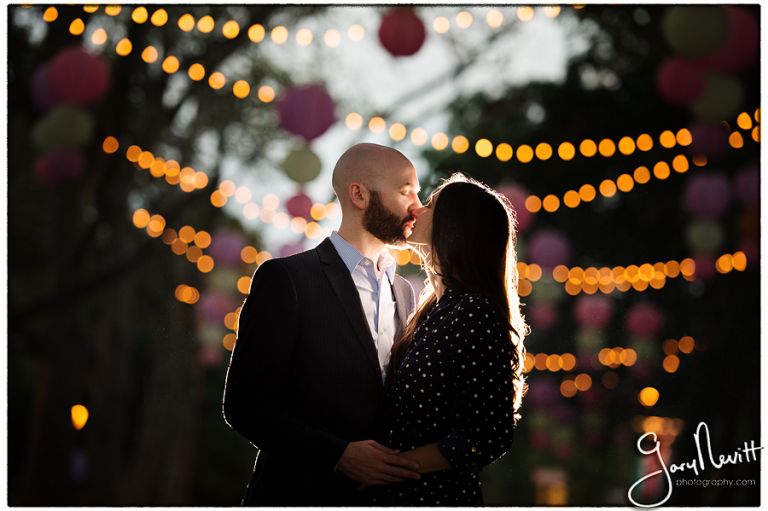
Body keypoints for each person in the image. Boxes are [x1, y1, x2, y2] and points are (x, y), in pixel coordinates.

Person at [222, 143, 425, 505]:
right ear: (359, 195)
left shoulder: (406, 292)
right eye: (406, 190)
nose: (417, 205)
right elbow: (244, 405)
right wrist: (338, 455)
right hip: (296, 496)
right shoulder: (286, 278)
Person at [371, 173, 529, 506]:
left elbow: (488, 434)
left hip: (435, 497)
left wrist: (391, 468)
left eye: (429, 205)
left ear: (455, 226)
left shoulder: (473, 311)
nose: (417, 209)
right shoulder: (436, 308)